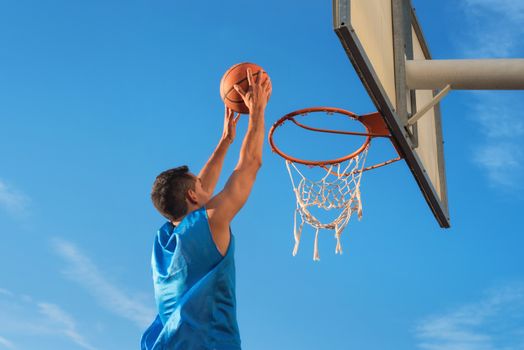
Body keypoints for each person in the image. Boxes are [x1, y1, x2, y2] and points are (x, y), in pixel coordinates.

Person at [141, 68, 271, 350]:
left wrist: (225, 141)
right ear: (191, 195)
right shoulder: (209, 224)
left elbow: (201, 193)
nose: (205, 186)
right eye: (199, 185)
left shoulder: (164, 241)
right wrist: (257, 111)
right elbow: (250, 165)